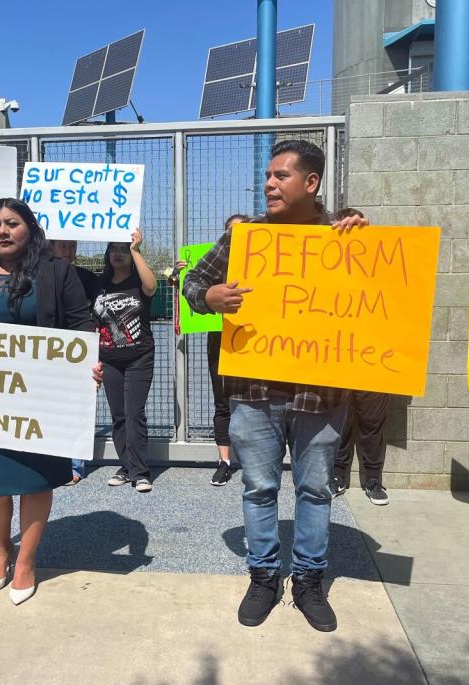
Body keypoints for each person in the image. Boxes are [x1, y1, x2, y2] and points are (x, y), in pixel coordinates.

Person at [183, 139, 366, 632]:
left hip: (320, 393)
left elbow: (378, 290)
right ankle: (263, 576)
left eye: (282, 175)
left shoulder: (345, 235)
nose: (269, 183)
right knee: (259, 488)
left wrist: (362, 232)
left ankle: (308, 580)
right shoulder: (244, 238)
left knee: (314, 489)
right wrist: (210, 296)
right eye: (268, 175)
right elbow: (191, 285)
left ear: (312, 183)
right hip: (254, 392)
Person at [0, 197, 99, 604]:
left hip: (39, 401)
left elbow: (82, 326)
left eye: (12, 223)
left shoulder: (56, 272)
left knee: (33, 479)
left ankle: (27, 561)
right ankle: (1, 552)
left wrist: (90, 365)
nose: (2, 231)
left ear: (29, 227)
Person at [330, 207, 390, 506]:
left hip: (375, 358)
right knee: (340, 422)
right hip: (337, 356)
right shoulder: (325, 268)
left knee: (373, 423)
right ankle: (338, 475)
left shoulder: (384, 266)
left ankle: (373, 480)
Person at [93, 230, 158, 493]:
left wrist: (136, 250)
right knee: (118, 416)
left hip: (138, 357)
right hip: (109, 359)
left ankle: (140, 472)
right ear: (108, 254)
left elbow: (152, 286)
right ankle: (126, 465)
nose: (117, 254)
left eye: (122, 249)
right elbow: (94, 321)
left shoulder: (138, 280)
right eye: (114, 249)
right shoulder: (100, 284)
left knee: (134, 414)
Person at [48, 239, 99, 485]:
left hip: (80, 352)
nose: (69, 251)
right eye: (63, 246)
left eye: (73, 246)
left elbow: (98, 311)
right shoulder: (42, 276)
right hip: (51, 352)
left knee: (79, 407)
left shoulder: (87, 277)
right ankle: (51, 461)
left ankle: (75, 467)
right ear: (51, 247)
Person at [207, 213, 249, 486]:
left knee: (254, 402)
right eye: (230, 232)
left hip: (255, 341)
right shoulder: (212, 268)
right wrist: (181, 272)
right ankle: (224, 461)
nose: (235, 236)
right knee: (222, 400)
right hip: (221, 337)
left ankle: (256, 460)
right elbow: (193, 291)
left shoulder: (265, 267)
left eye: (242, 232)